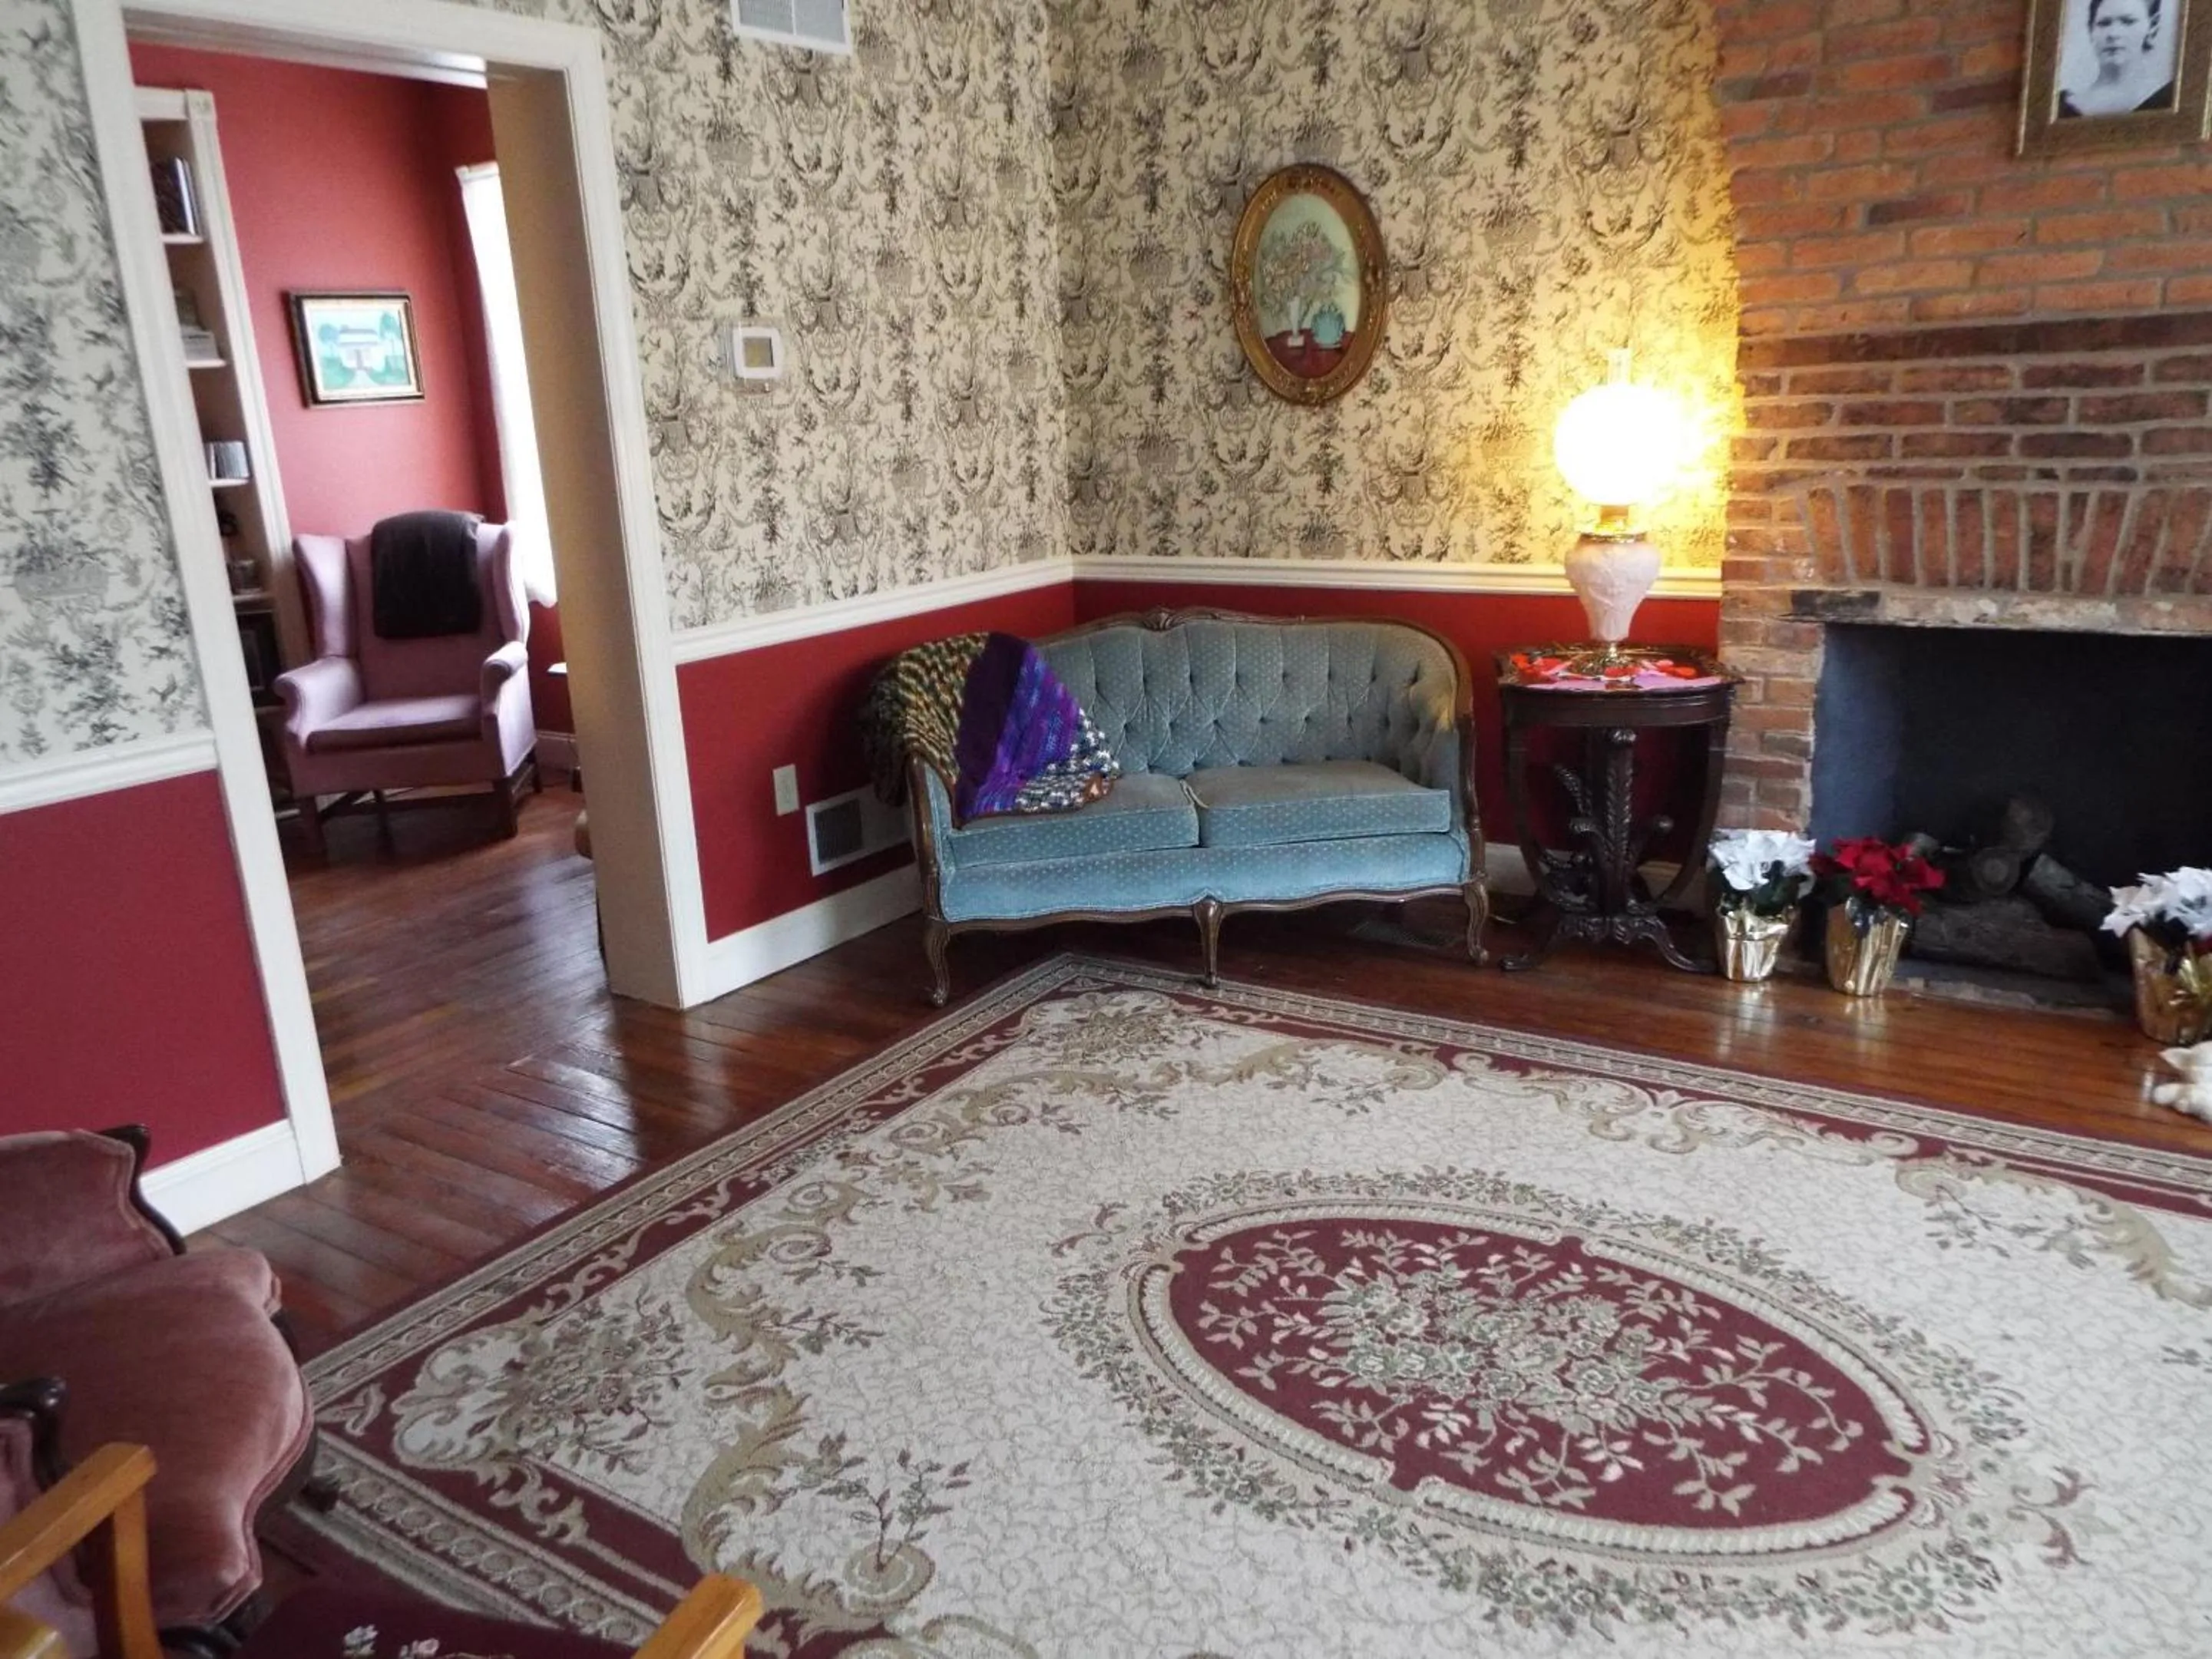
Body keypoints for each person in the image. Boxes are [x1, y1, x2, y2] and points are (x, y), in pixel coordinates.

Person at [2058, 0, 2180, 116]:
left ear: (2152, 26)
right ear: (2091, 29)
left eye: (2128, 22)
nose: (2113, 34)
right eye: (2104, 23)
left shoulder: (2169, 99)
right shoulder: (2062, 107)